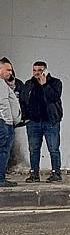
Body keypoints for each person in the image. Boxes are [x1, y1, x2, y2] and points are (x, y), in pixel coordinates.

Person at [18, 61, 63, 183]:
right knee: (33, 149)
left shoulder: (55, 83)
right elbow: (23, 101)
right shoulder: (29, 84)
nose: (36, 73)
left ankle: (56, 173)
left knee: (53, 148)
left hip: (50, 121)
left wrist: (45, 85)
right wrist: (25, 117)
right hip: (33, 122)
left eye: (40, 70)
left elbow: (54, 97)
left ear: (45, 71)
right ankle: (34, 174)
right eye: (34, 70)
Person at [0, 58, 20, 188]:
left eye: (11, 70)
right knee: (3, 150)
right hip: (4, 123)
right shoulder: (0, 83)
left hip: (4, 122)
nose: (10, 72)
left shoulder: (4, 84)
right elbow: (3, 103)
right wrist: (8, 122)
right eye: (7, 70)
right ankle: (0, 178)